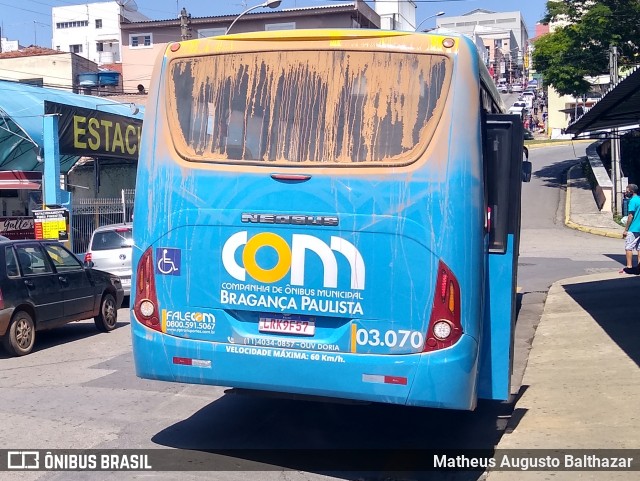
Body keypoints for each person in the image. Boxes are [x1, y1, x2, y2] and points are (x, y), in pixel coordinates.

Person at [621, 183, 640, 274]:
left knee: (629, 247)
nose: (626, 192)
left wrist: (626, 229)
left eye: (627, 190)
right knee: (639, 248)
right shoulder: (639, 199)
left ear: (631, 191)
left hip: (634, 228)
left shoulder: (632, 201)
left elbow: (630, 216)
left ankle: (629, 266)